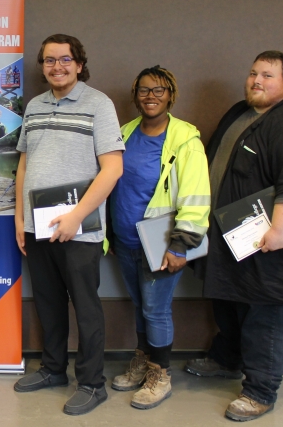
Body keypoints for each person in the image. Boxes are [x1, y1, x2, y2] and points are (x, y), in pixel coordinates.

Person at [184, 51, 283, 422]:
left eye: (267, 75)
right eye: (252, 73)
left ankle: (260, 390)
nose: (257, 81)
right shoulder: (240, 113)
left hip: (269, 244)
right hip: (233, 238)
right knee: (228, 302)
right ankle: (228, 359)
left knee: (266, 317)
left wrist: (279, 230)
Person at [13, 34, 124, 416]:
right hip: (37, 226)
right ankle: (53, 369)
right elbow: (24, 165)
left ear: (79, 63)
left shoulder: (99, 105)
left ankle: (93, 383)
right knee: (49, 303)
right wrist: (19, 218)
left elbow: (113, 168)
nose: (56, 66)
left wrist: (76, 216)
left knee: (86, 307)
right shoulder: (34, 106)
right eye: (49, 60)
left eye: (65, 59)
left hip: (81, 228)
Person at [109, 66, 210, 409]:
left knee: (156, 310)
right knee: (140, 306)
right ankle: (142, 361)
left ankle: (160, 374)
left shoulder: (185, 139)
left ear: (171, 96)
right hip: (125, 240)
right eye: (144, 90)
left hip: (162, 244)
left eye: (159, 90)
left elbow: (197, 197)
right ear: (135, 95)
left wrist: (181, 244)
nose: (151, 96)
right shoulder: (126, 132)